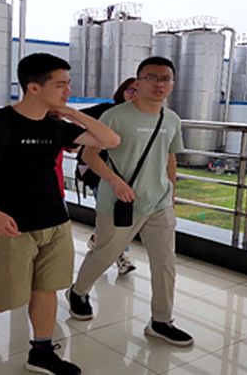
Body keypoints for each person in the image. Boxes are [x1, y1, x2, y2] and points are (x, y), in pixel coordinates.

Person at [0, 53, 119, 375]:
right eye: (61, 84)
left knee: (47, 288)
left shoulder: (56, 126)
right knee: (8, 297)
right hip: (9, 225)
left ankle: (41, 351)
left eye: (68, 84)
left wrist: (70, 112)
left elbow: (110, 139)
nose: (68, 90)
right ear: (33, 87)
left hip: (55, 221)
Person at [67, 56, 194, 347]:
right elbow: (89, 155)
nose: (159, 84)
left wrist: (171, 192)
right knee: (105, 254)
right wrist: (115, 181)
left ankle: (161, 321)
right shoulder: (115, 116)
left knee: (165, 262)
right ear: (138, 82)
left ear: (172, 84)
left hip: (159, 202)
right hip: (119, 201)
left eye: (165, 78)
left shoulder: (172, 119)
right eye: (152, 77)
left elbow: (170, 158)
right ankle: (78, 291)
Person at [78, 77, 139, 276]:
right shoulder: (106, 110)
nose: (134, 94)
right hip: (97, 170)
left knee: (114, 214)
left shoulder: (142, 116)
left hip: (124, 173)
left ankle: (98, 238)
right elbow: (78, 119)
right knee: (113, 215)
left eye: (138, 90)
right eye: (130, 90)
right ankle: (122, 257)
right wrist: (86, 139)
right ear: (122, 91)